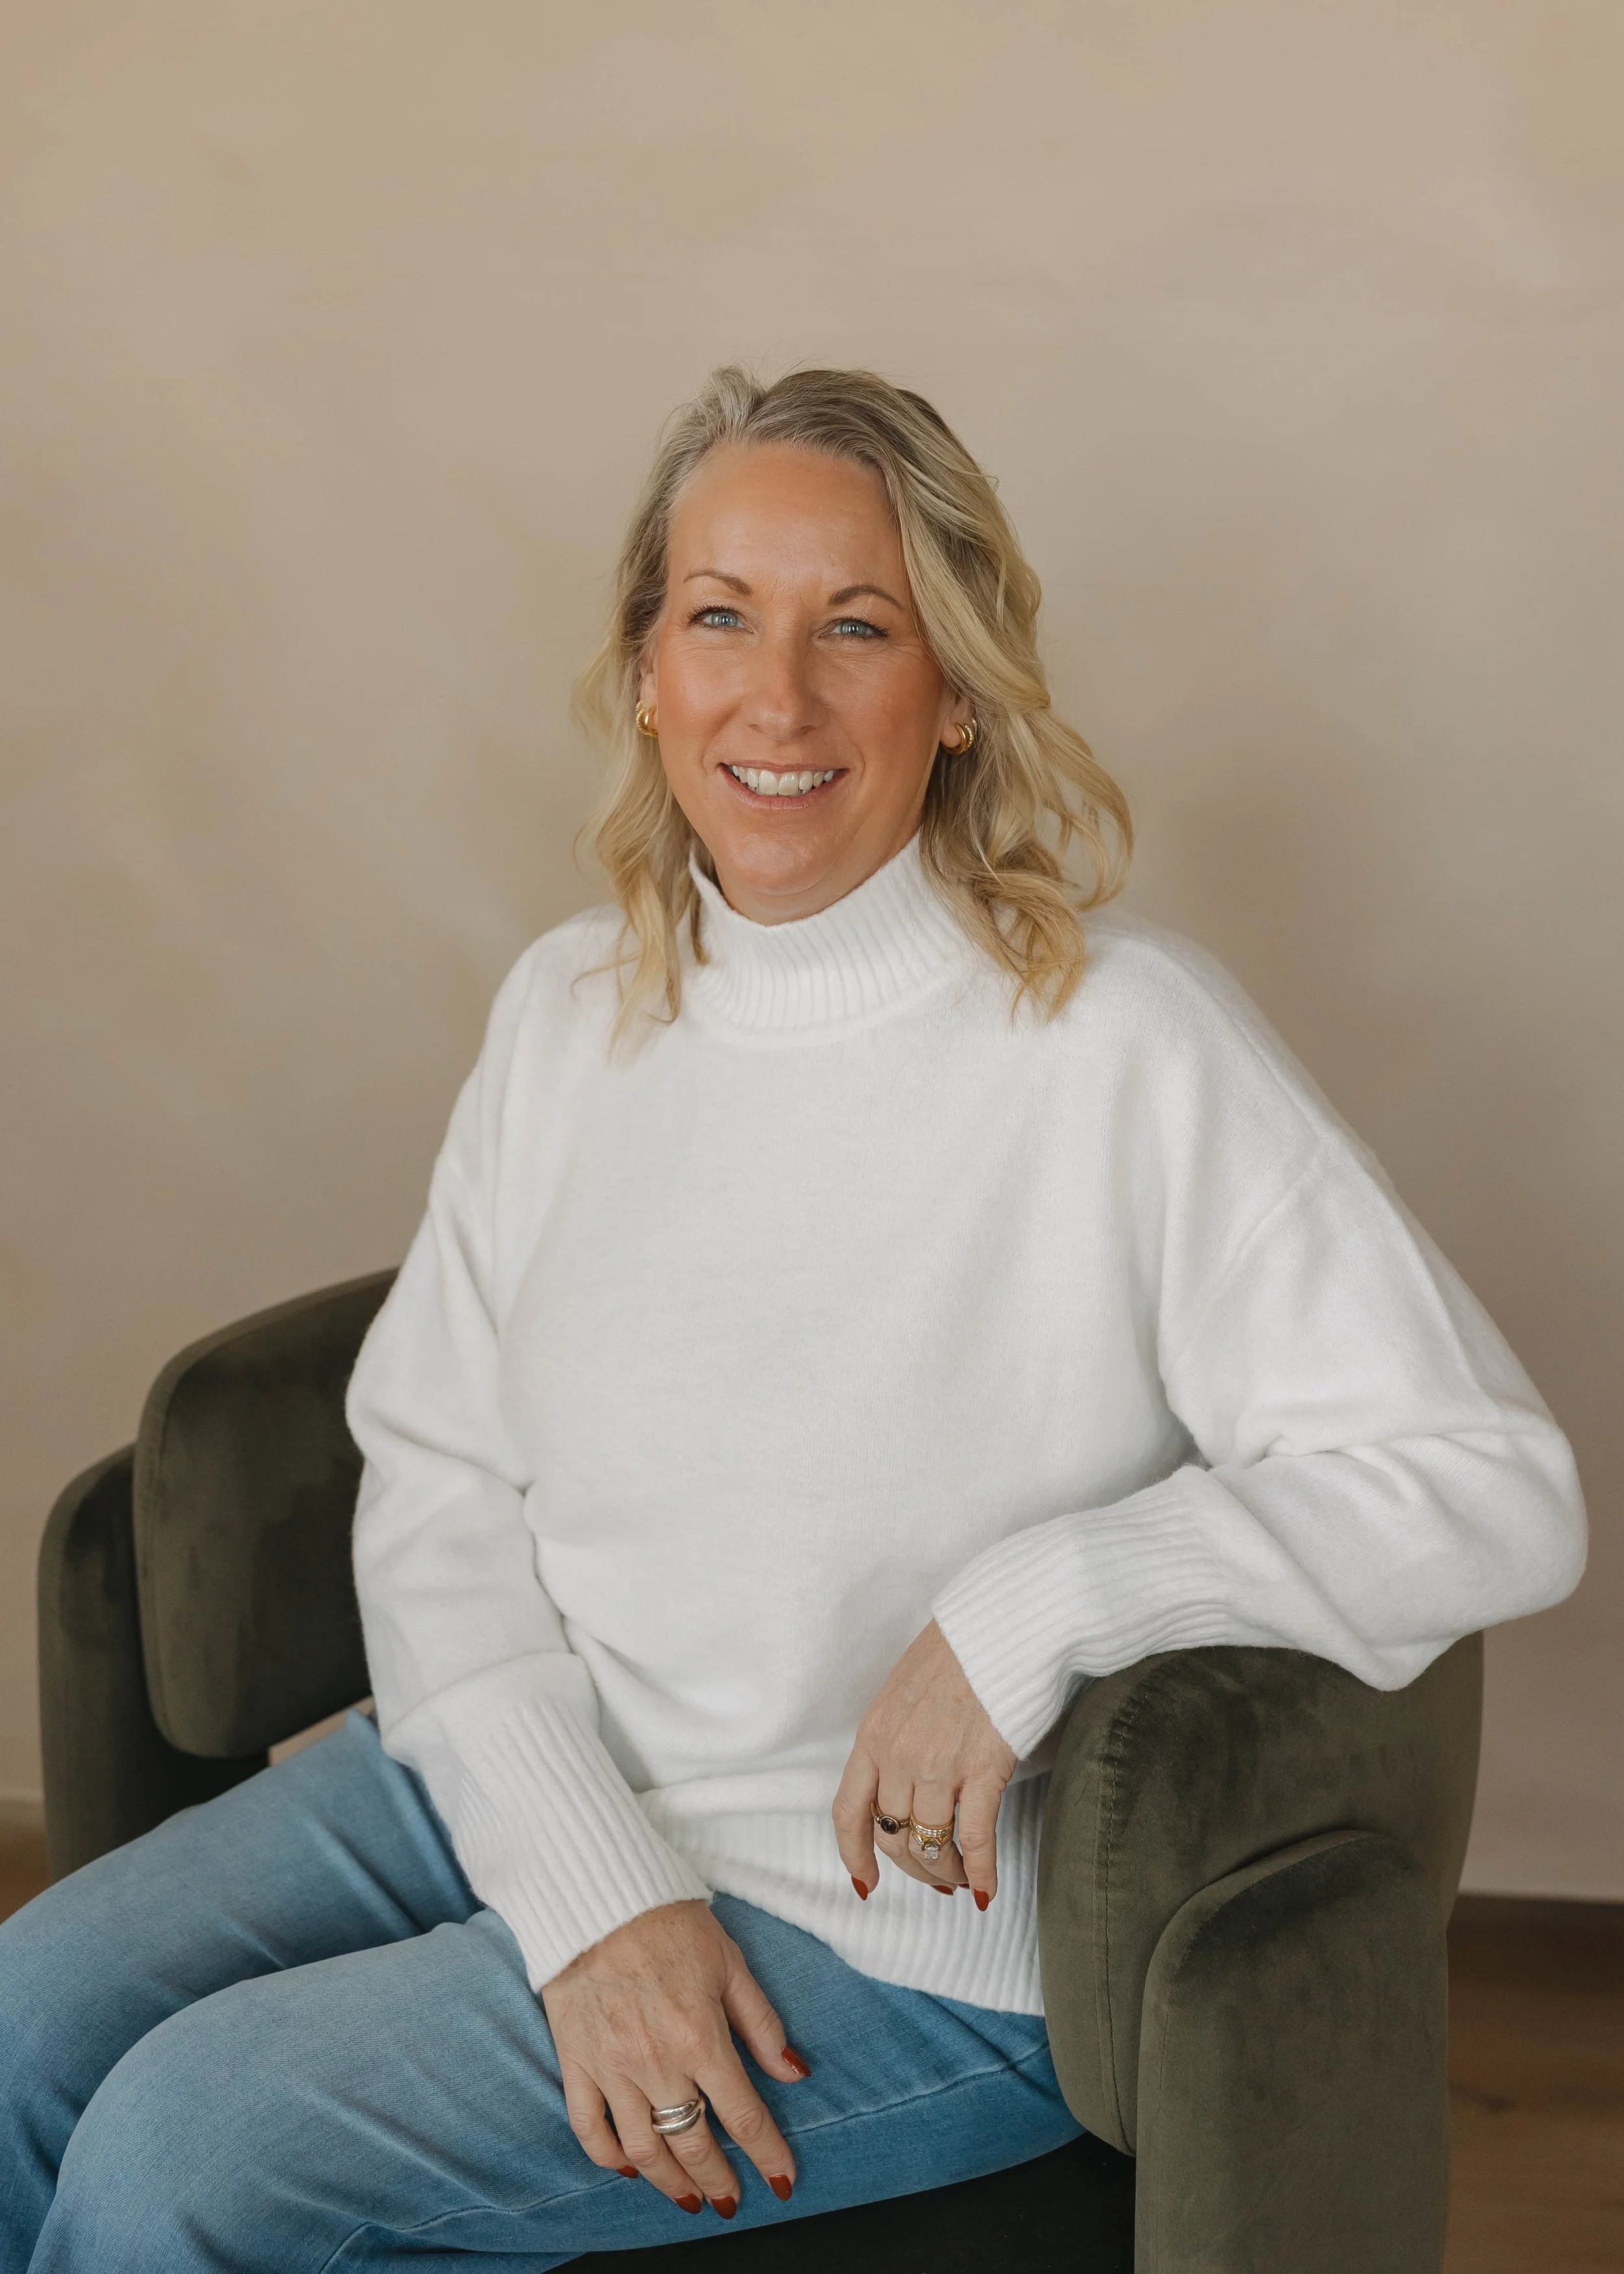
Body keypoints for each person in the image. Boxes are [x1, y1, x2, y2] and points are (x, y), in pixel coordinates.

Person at [0, 366, 1586, 2271]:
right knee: (18, 2027)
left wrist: (1032, 1607)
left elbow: (1492, 1487)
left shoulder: (1121, 1042)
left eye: (858, 625)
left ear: (962, 686)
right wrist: (588, 1893)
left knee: (190, 2147)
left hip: (880, 1924)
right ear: (647, 668)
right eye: (719, 617)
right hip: (519, 1770)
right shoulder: (570, 1009)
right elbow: (434, 1478)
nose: (779, 697)